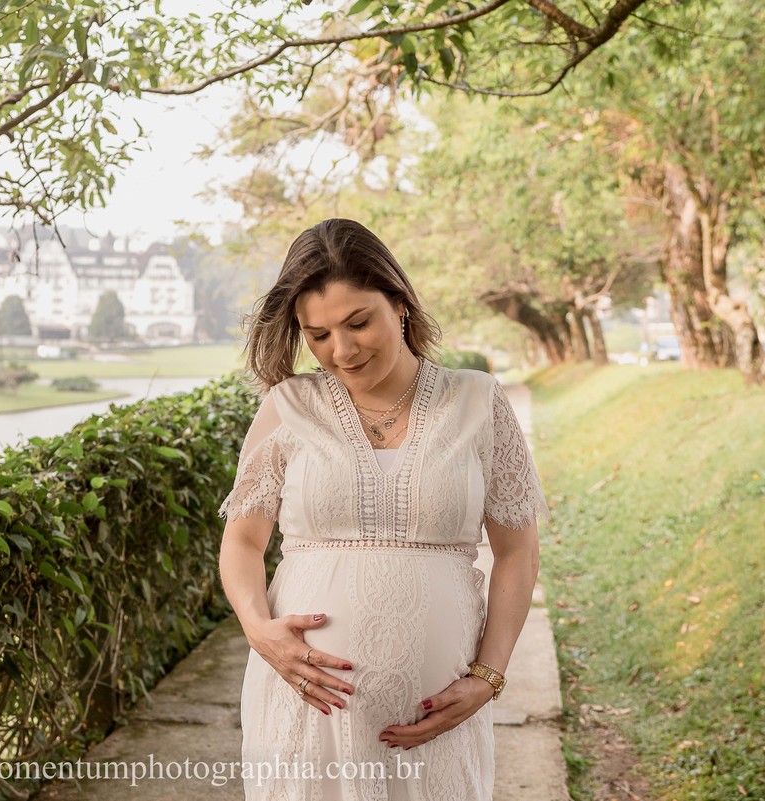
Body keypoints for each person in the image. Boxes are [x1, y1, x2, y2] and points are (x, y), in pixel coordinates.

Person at [217, 218, 548, 800]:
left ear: (399, 303)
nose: (341, 350)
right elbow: (243, 541)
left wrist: (488, 676)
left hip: (438, 718)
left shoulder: (478, 401)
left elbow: (517, 550)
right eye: (317, 334)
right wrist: (259, 630)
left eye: (358, 322)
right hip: (307, 711)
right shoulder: (287, 406)